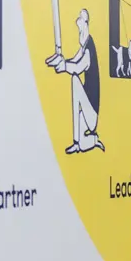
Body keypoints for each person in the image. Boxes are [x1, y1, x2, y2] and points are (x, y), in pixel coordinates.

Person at [50, 8, 102, 154]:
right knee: (82, 145)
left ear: (86, 23)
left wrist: (65, 66)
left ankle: (87, 141)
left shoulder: (89, 48)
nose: (77, 20)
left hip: (91, 112)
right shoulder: (85, 44)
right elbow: (74, 60)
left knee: (74, 79)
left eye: (81, 18)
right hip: (86, 111)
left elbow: (78, 67)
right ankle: (88, 141)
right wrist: (62, 62)